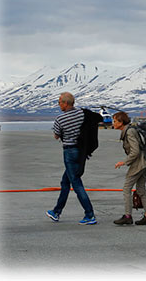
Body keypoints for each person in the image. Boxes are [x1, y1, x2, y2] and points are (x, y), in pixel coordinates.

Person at [46, 92, 96, 225]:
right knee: (65, 182)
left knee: (76, 183)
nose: (59, 104)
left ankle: (90, 214)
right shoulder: (82, 114)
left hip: (69, 152)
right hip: (80, 150)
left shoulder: (60, 119)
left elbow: (56, 136)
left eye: (60, 102)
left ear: (65, 103)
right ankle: (56, 211)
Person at [112, 111, 146, 225]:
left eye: (115, 121)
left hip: (138, 164)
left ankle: (127, 216)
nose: (113, 123)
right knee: (141, 190)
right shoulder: (130, 130)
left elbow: (135, 151)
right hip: (143, 163)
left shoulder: (129, 132)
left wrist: (124, 162)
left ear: (121, 122)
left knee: (126, 188)